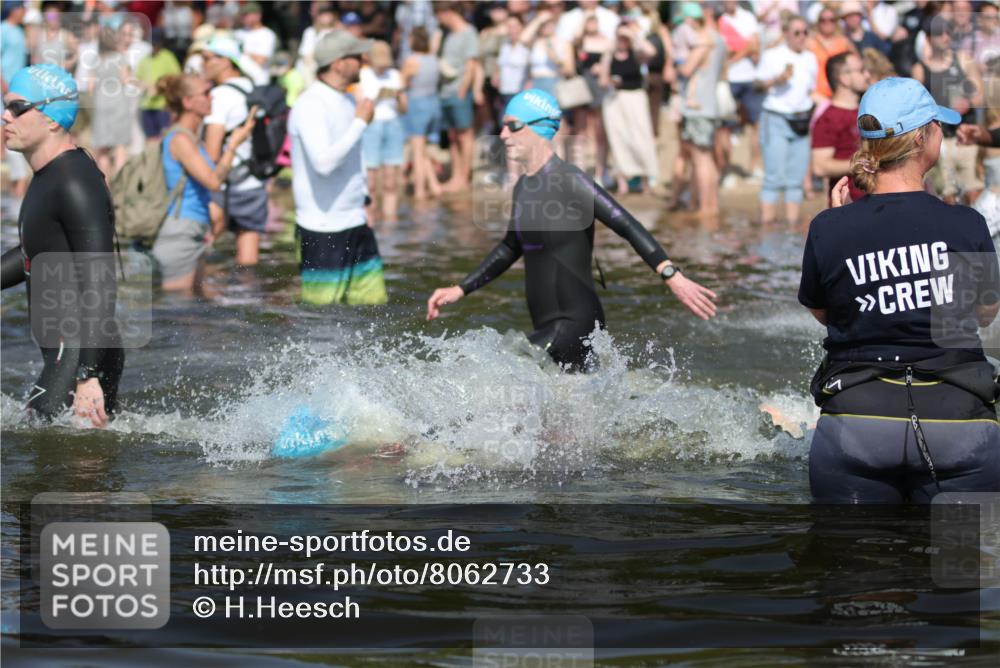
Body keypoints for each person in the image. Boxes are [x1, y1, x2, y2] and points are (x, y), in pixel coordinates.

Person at [800, 77, 1000, 503]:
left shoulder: (829, 227)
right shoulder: (966, 224)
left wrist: (841, 231)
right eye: (937, 127)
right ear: (923, 140)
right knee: (963, 567)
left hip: (857, 423)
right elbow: (985, 315)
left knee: (854, 566)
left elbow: (826, 313)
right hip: (959, 424)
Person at [426, 89, 717, 372]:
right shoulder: (524, 186)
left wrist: (671, 275)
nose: (503, 135)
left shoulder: (570, 180)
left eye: (513, 126)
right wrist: (460, 289)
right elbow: (509, 247)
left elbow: (626, 224)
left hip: (574, 323)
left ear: (541, 128)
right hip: (548, 325)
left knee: (500, 368)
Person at [0, 64, 123, 427]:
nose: (5, 116)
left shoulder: (74, 181)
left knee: (44, 450)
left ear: (53, 118)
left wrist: (88, 375)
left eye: (18, 107)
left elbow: (100, 280)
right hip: (71, 350)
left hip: (80, 350)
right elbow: (31, 255)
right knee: (69, 463)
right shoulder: (47, 176)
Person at [288, 31, 387, 306]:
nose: (363, 61)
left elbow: (355, 157)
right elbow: (324, 163)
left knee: (373, 310)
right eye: (356, 57)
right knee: (322, 317)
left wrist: (365, 199)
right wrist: (360, 123)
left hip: (356, 220)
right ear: (338, 63)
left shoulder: (345, 99)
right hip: (322, 226)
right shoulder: (310, 103)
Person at [154, 74, 256, 292]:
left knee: (197, 307)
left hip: (195, 230)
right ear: (187, 102)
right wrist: (233, 145)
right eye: (206, 94)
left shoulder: (192, 138)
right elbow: (213, 182)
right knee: (178, 311)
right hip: (180, 233)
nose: (212, 98)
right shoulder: (180, 140)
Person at [202, 36, 268, 267]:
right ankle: (248, 300)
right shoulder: (251, 88)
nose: (203, 63)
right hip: (252, 182)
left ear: (226, 61)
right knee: (248, 264)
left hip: (220, 183)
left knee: (199, 256)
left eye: (208, 58)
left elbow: (211, 154)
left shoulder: (219, 96)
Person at [911, 19, 984, 205]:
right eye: (939, 33)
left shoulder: (963, 59)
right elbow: (915, 105)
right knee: (946, 196)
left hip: (965, 136)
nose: (945, 37)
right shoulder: (920, 69)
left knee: (974, 192)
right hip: (938, 140)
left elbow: (980, 95)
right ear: (928, 38)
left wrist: (967, 102)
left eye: (948, 32)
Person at [755, 15, 818, 225]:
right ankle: (767, 228)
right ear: (786, 34)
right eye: (796, 32)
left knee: (796, 181)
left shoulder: (810, 58)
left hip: (802, 120)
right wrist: (777, 79)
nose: (801, 37)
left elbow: (811, 90)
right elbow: (757, 85)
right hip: (776, 118)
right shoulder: (773, 55)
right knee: (773, 178)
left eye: (804, 32)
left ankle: (791, 227)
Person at [601, 19, 660, 196]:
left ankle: (646, 181)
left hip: (636, 98)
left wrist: (632, 34)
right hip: (615, 100)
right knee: (618, 139)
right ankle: (623, 183)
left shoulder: (637, 52)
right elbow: (602, 81)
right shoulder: (609, 54)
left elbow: (651, 52)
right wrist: (610, 80)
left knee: (641, 139)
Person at [811, 51, 870, 205]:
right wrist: (861, 164)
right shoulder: (828, 118)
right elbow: (820, 167)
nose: (867, 75)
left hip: (874, 202)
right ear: (844, 78)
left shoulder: (867, 111)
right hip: (847, 206)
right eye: (861, 70)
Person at [359, 40, 407, 223]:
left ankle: (390, 221)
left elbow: (404, 109)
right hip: (372, 125)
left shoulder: (395, 75)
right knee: (370, 181)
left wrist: (399, 95)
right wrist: (376, 99)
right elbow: (359, 107)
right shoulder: (363, 75)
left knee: (391, 181)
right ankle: (370, 221)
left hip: (393, 124)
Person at [434, 2, 479, 193]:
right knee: (452, 136)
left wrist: (463, 90)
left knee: (465, 134)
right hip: (445, 92)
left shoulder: (469, 32)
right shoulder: (447, 34)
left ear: (448, 12)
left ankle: (464, 176)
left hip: (459, 92)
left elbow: (471, 65)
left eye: (439, 14)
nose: (438, 19)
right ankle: (455, 176)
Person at [400, 26, 442, 201]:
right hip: (433, 103)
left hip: (418, 104)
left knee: (416, 150)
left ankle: (419, 190)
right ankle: (434, 185)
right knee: (423, 148)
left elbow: (400, 84)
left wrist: (401, 105)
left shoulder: (412, 60)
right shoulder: (433, 58)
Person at [135, 28, 181, 143]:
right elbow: (136, 79)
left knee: (165, 137)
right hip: (146, 105)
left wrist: (159, 87)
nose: (155, 46)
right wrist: (146, 86)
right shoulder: (145, 59)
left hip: (162, 105)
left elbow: (176, 78)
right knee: (150, 138)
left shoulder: (168, 57)